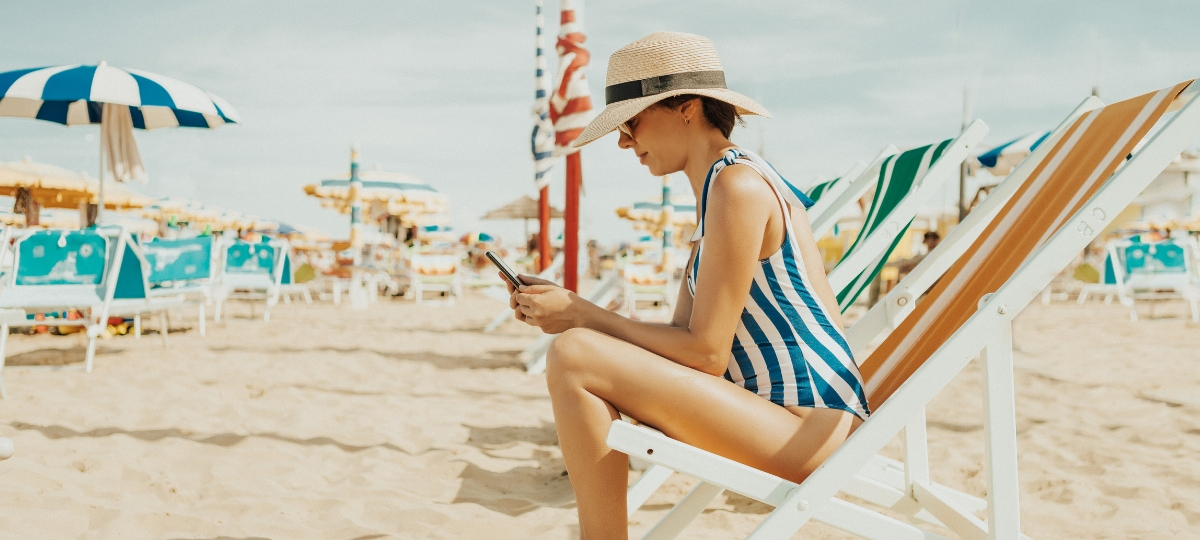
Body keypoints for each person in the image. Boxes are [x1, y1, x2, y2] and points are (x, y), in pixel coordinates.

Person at [506, 32, 869, 539]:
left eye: (630, 121)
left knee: (574, 353)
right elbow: (681, 339)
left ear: (686, 108)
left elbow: (704, 356)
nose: (624, 141)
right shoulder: (719, 194)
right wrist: (572, 312)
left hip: (808, 430)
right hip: (788, 420)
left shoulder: (738, 187)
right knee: (579, 352)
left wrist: (583, 315)